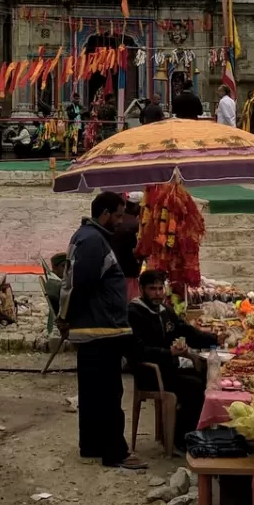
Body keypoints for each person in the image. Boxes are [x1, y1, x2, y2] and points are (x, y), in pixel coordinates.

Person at [58, 191, 146, 471]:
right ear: (105, 214)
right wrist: (66, 318)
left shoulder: (86, 237)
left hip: (94, 327)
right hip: (102, 328)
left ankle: (92, 444)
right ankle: (115, 452)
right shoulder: (94, 241)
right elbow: (79, 285)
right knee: (109, 393)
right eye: (118, 215)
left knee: (93, 391)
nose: (121, 221)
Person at [128, 269, 217, 449]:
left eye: (161, 289)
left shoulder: (165, 310)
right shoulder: (134, 313)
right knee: (193, 387)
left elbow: (186, 331)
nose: (158, 294)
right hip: (150, 373)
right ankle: (180, 439)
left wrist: (215, 338)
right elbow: (138, 350)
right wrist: (169, 353)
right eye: (153, 289)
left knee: (206, 377)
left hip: (170, 369)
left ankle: (193, 430)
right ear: (142, 289)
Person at [110, 197, 143, 300]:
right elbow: (138, 251)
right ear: (137, 206)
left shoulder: (117, 221)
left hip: (115, 273)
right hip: (128, 274)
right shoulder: (135, 225)